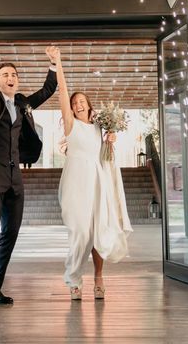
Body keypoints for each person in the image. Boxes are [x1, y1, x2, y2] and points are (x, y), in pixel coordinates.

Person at [0, 5, 58, 308]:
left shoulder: (22, 103)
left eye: (14, 74)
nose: (10, 77)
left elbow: (47, 90)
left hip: (15, 174)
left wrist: (54, 64)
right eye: (5, 74)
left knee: (11, 232)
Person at [51, 46, 132, 300]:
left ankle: (98, 278)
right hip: (76, 182)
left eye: (81, 100)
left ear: (88, 105)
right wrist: (58, 62)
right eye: (74, 103)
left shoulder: (99, 126)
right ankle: (73, 280)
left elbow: (108, 148)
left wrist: (112, 137)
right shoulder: (71, 124)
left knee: (99, 231)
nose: (77, 103)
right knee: (80, 232)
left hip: (98, 181)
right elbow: (62, 91)